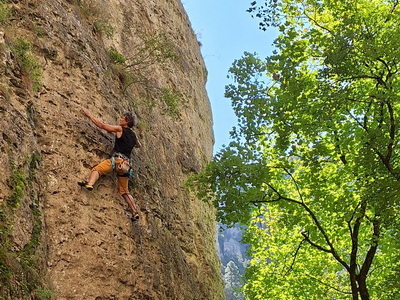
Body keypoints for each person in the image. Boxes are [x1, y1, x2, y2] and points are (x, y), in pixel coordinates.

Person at [78, 108, 142, 221]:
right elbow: (139, 145)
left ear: (126, 121)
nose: (120, 119)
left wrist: (89, 115)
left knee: (97, 170)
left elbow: (102, 125)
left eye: (122, 118)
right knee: (124, 191)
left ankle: (90, 184)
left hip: (116, 161)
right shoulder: (134, 136)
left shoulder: (120, 129)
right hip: (126, 166)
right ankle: (135, 212)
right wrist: (133, 143)